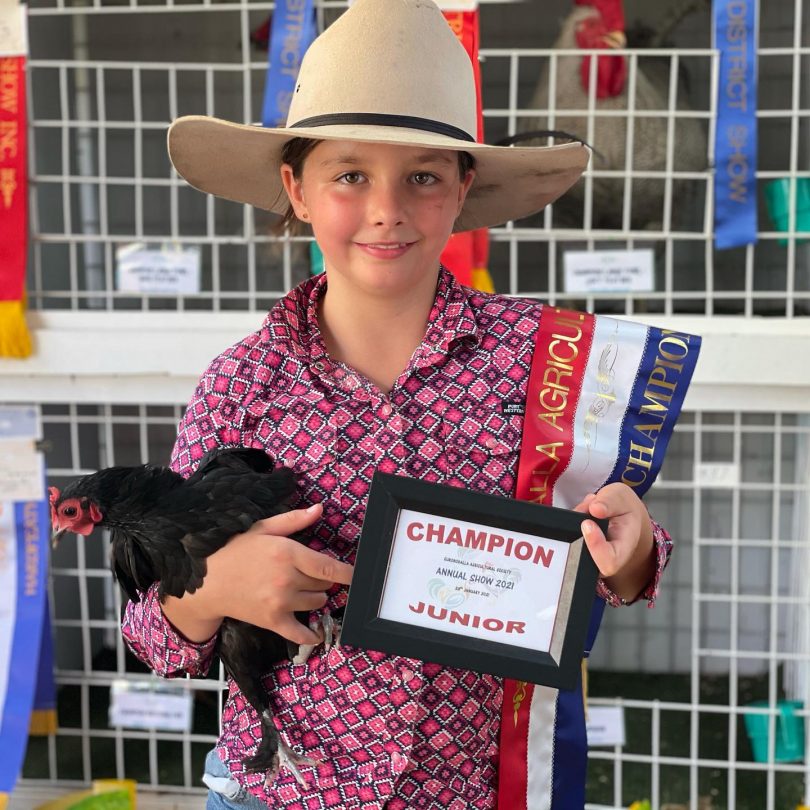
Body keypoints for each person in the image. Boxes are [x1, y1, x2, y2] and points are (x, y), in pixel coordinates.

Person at [121, 0, 673, 807]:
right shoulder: (239, 386)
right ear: (297, 189)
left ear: (461, 190)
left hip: (482, 789)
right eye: (350, 174)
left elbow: (618, 548)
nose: (387, 208)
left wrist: (631, 554)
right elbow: (152, 632)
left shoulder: (544, 362)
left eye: (422, 175)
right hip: (279, 791)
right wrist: (211, 590)